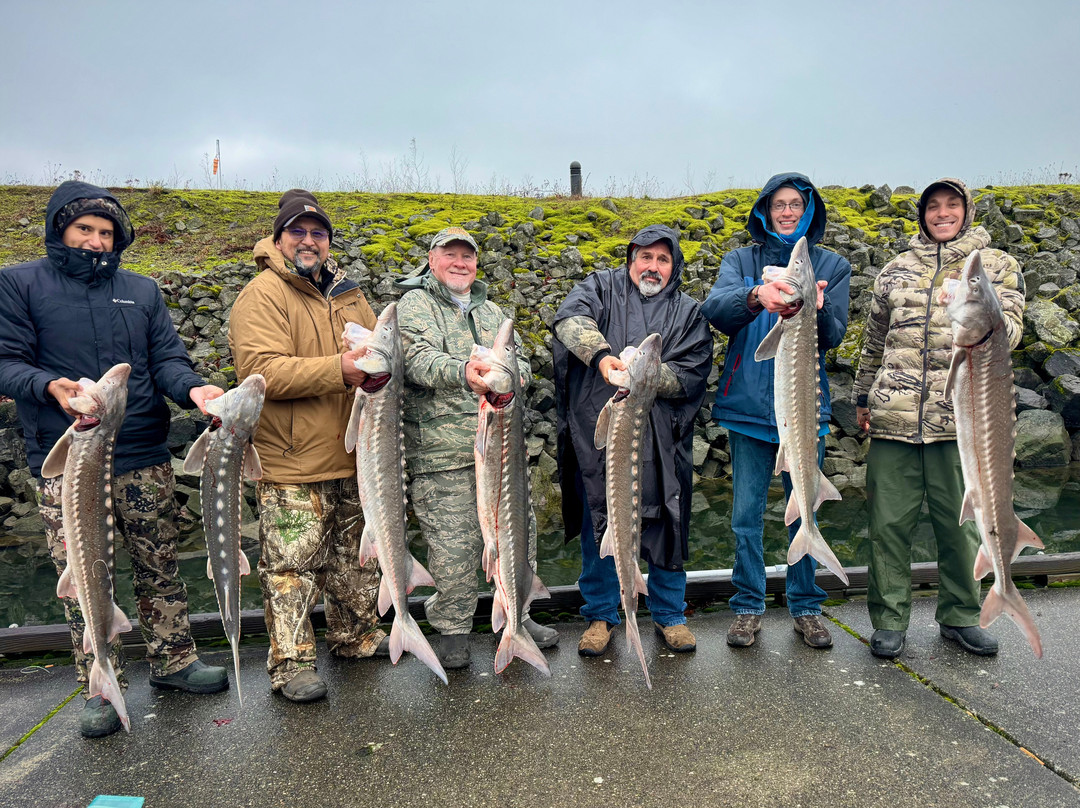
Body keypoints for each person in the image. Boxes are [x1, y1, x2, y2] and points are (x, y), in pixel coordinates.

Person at [0, 181, 228, 738]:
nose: (96, 241)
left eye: (106, 232)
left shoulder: (141, 290)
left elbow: (168, 360)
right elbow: (5, 361)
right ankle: (99, 680)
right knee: (79, 574)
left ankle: (176, 661)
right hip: (67, 460)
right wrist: (49, 386)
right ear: (60, 230)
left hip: (142, 453)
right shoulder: (19, 283)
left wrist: (195, 391)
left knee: (159, 562)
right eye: (85, 230)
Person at [852, 178, 1025, 659]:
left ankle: (961, 616)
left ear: (968, 210)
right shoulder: (894, 270)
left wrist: (975, 306)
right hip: (894, 418)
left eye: (952, 204)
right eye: (933, 206)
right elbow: (873, 343)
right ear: (922, 214)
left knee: (961, 525)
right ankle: (889, 620)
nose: (942, 212)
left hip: (963, 424)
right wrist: (864, 397)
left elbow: (1009, 330)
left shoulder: (996, 266)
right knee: (887, 525)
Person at [228, 189, 386, 702]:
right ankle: (291, 664)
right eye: (298, 231)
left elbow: (379, 348)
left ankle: (356, 635)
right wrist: (339, 371)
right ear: (278, 238)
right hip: (291, 461)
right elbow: (260, 372)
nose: (309, 241)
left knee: (357, 559)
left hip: (354, 453)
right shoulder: (263, 293)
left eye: (319, 233)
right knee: (292, 567)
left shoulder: (348, 292)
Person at [396, 226, 558, 670]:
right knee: (454, 548)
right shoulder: (415, 305)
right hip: (441, 454)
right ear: (432, 260)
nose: (460, 263)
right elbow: (414, 359)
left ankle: (518, 615)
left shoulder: (493, 312)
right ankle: (452, 627)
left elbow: (522, 364)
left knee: (517, 538)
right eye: (450, 255)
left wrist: (510, 379)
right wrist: (463, 371)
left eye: (467, 256)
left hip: (502, 454)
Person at [701, 172, 851, 650]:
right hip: (748, 413)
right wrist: (755, 297)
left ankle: (806, 606)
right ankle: (748, 606)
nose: (786, 212)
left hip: (806, 414)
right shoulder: (740, 260)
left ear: (808, 210)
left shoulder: (831, 263)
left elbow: (835, 335)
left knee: (802, 510)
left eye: (795, 204)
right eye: (778, 205)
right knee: (745, 515)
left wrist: (816, 308)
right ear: (765, 211)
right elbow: (717, 309)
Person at [554, 224, 713, 657]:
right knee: (600, 522)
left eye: (663, 259)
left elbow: (693, 372)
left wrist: (645, 375)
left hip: (663, 440)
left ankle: (669, 614)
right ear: (630, 261)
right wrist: (604, 358)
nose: (653, 266)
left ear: (673, 266)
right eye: (645, 257)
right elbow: (568, 321)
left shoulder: (689, 312)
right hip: (601, 437)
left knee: (668, 524)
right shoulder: (600, 287)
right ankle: (602, 614)